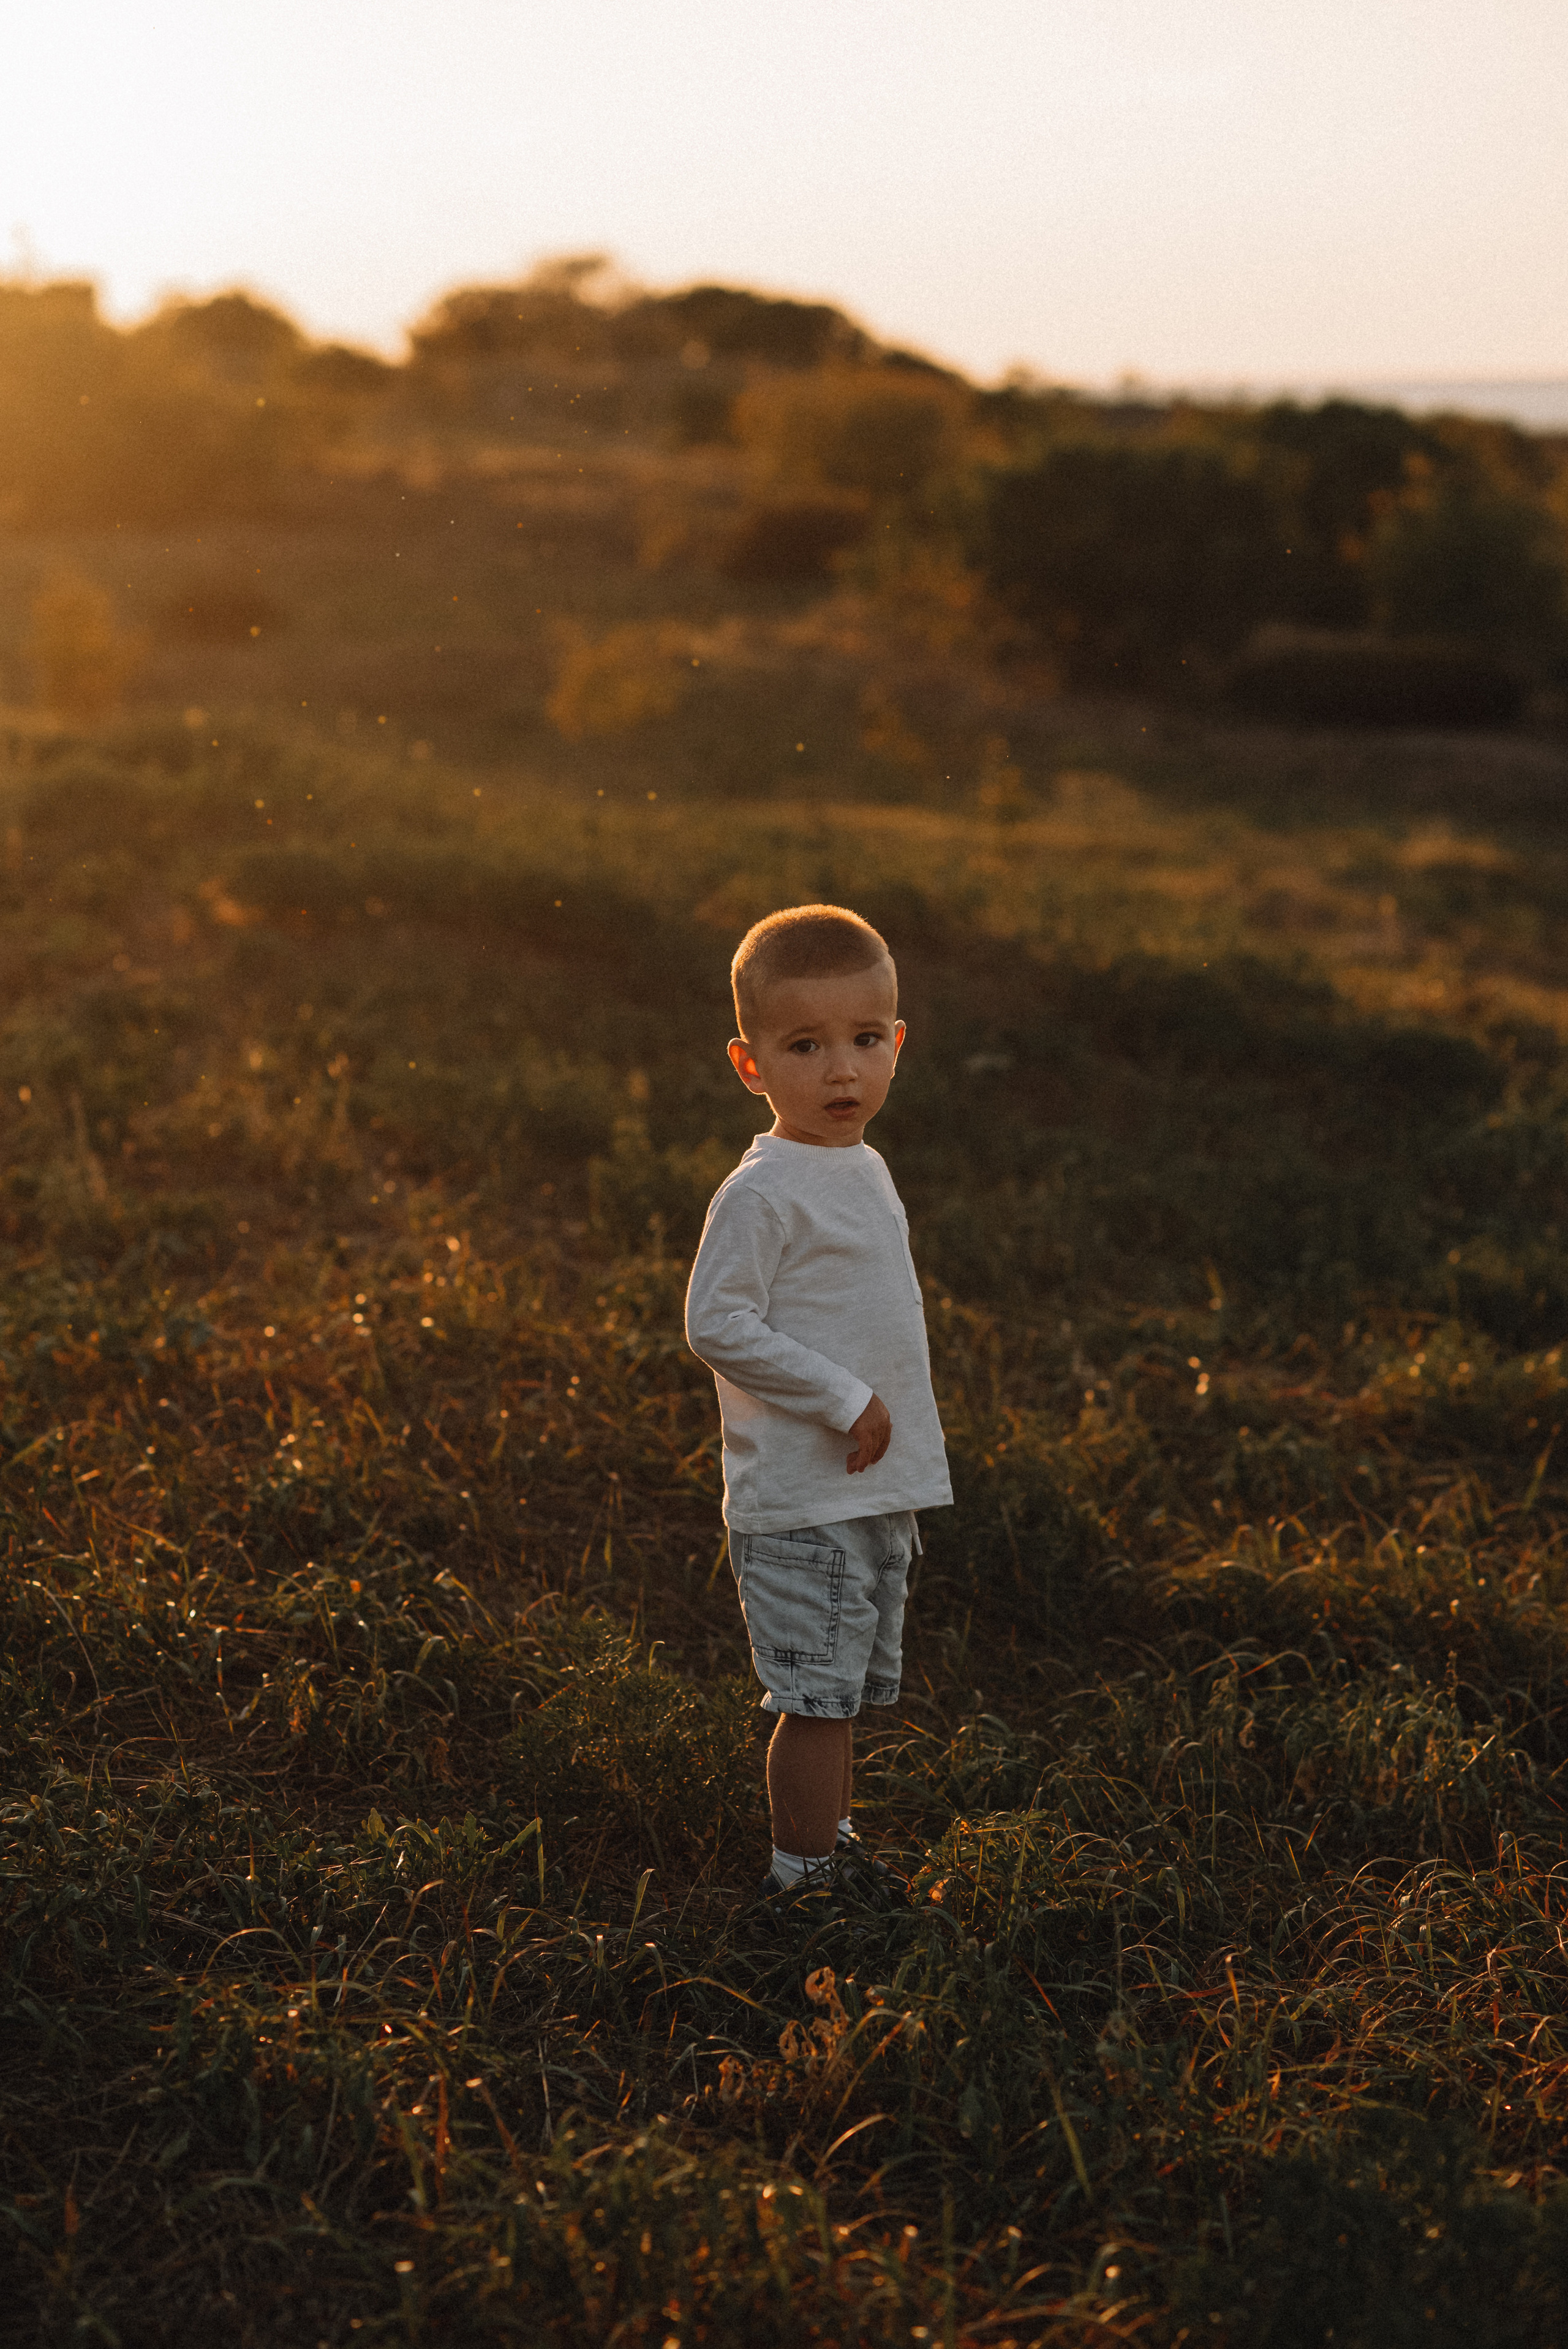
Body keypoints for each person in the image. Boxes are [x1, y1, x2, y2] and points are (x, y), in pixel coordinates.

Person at [684, 902, 952, 1906]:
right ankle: (803, 1886)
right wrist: (843, 1397)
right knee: (813, 1702)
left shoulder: (862, 1166)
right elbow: (717, 1320)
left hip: (868, 1490)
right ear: (750, 1065)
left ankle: (830, 1848)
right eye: (806, 1045)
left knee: (841, 1695)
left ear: (898, 1044)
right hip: (803, 1498)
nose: (842, 1070)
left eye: (865, 1040)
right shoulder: (762, 1191)